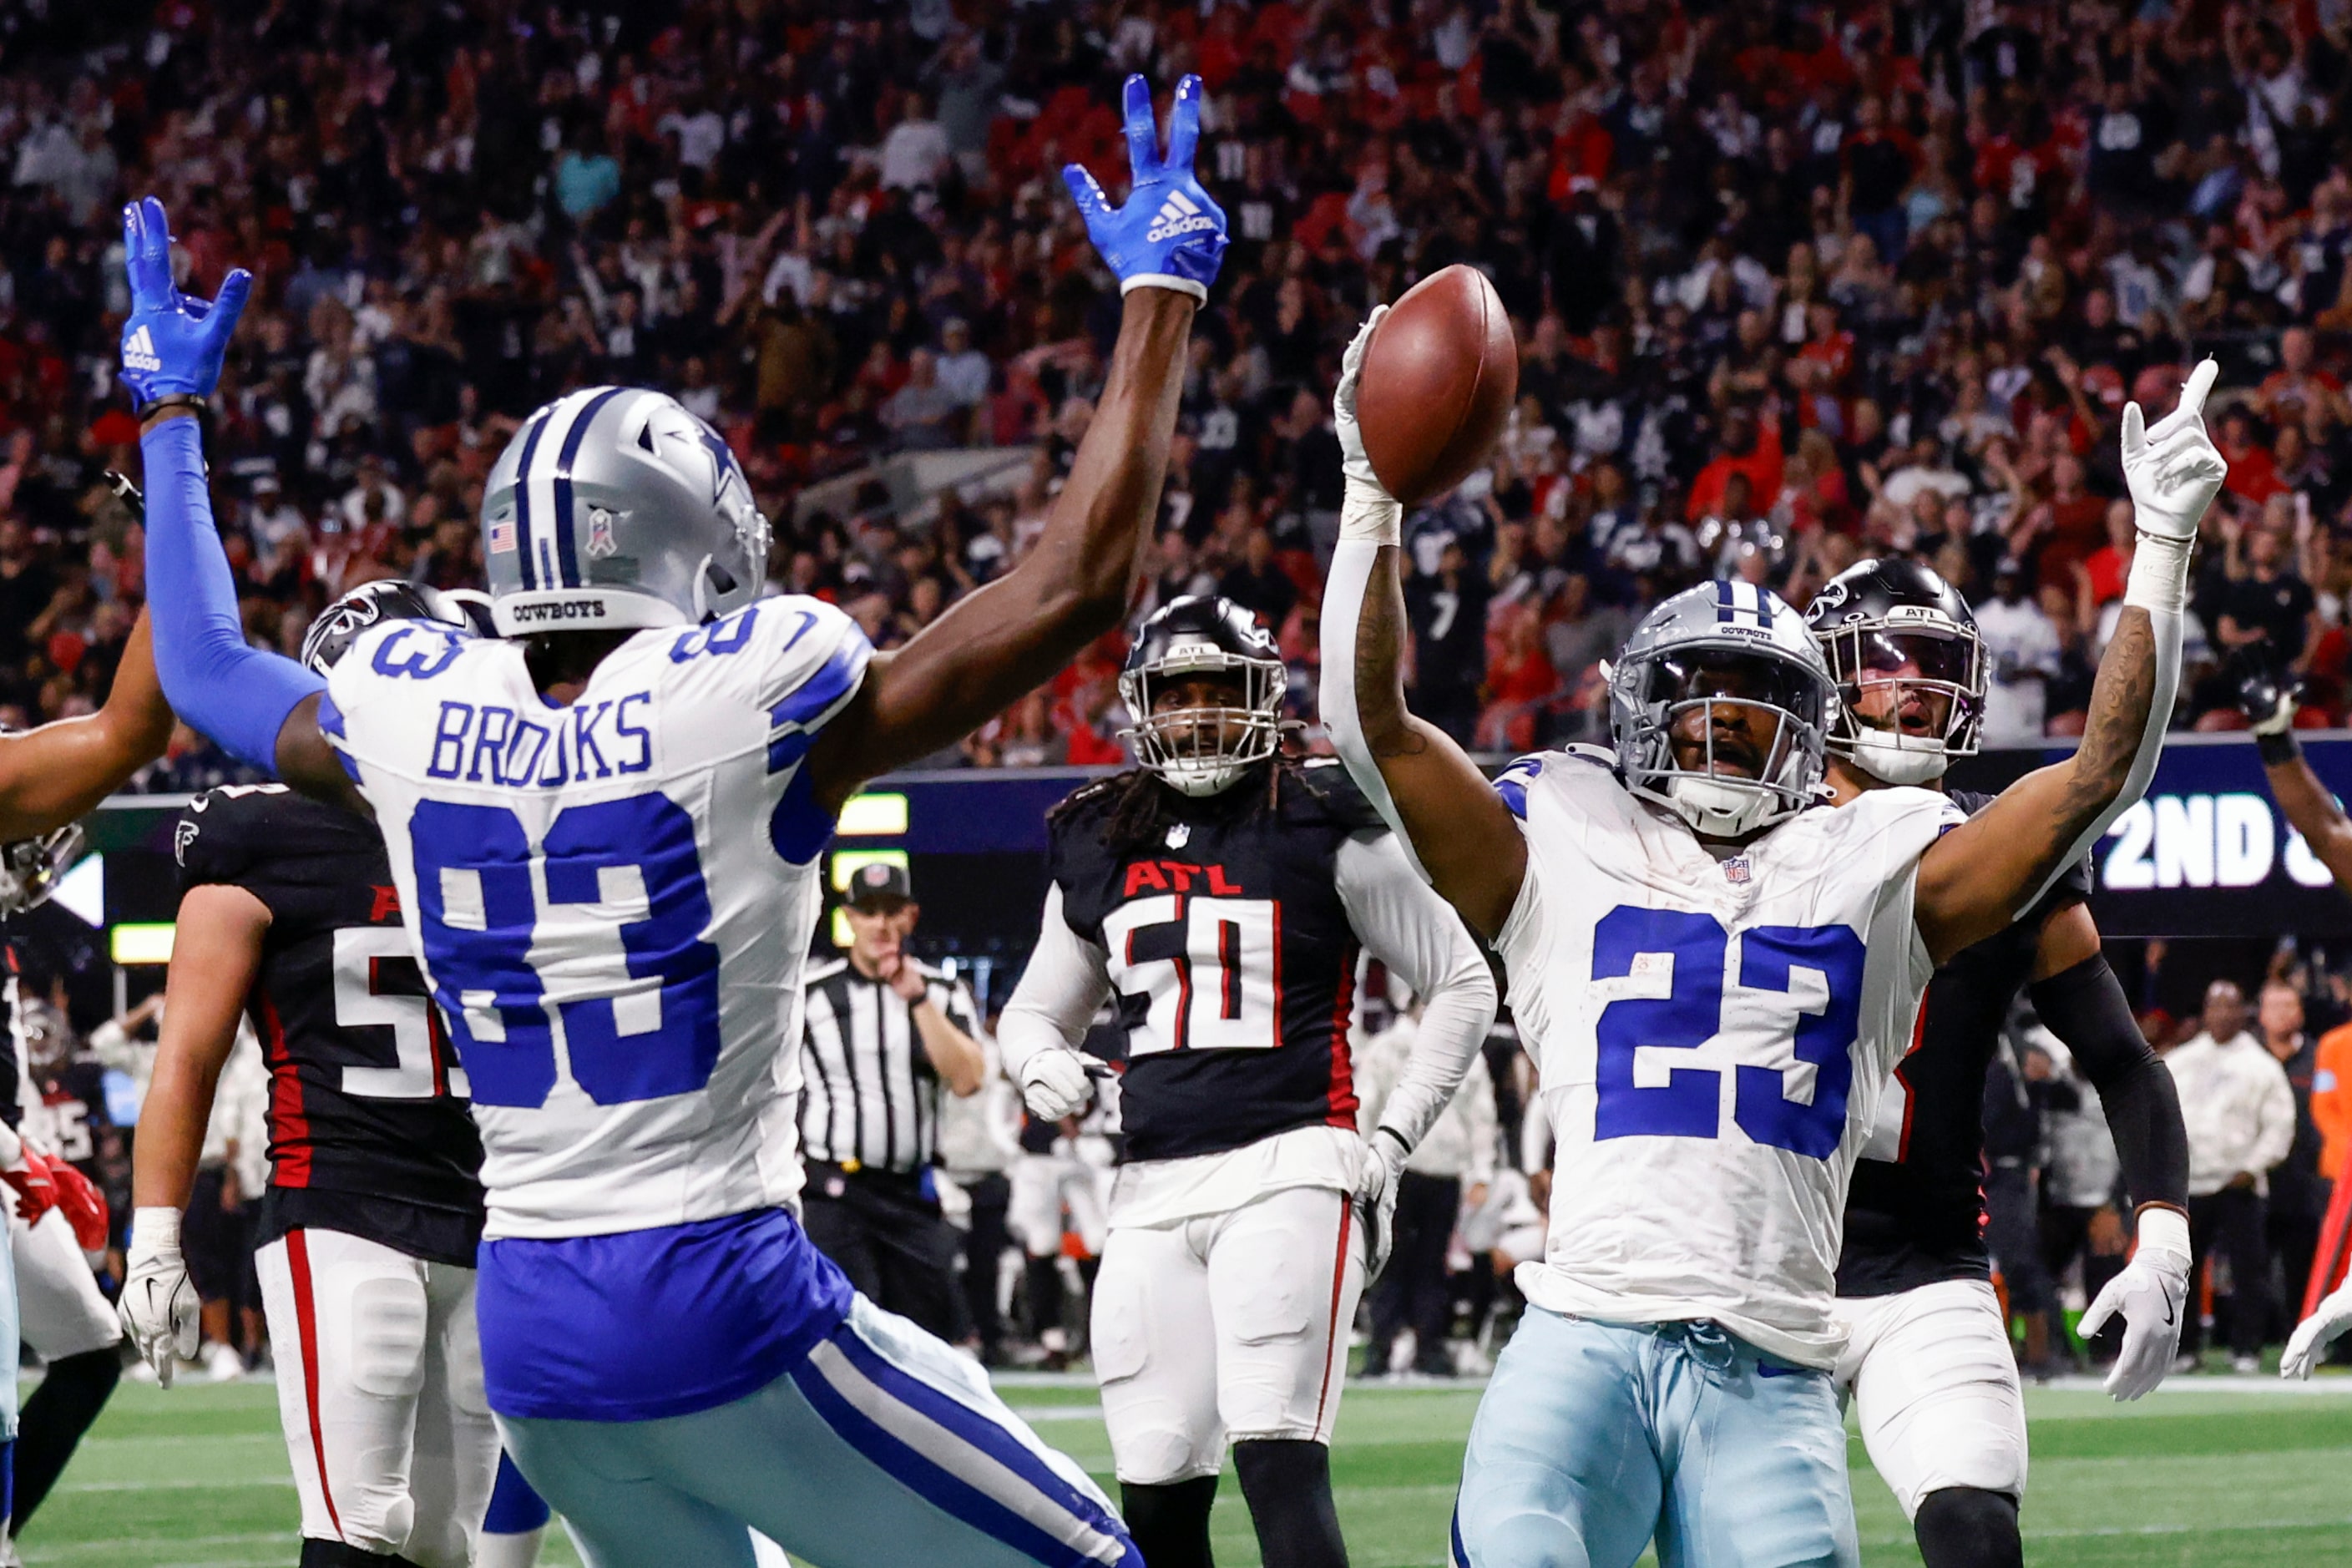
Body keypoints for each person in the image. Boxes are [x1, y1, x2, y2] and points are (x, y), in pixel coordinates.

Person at [126, 68, 1225, 1567]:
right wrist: (1158, 296)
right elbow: (1077, 583)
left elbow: (194, 660)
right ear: (693, 547)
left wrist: (172, 416)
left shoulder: (407, 709)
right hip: (718, 1295)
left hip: (531, 1333)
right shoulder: (751, 700)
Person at [1320, 291, 2223, 1568]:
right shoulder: (1565, 828)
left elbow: (2096, 777)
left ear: (1812, 728)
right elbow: (1377, 726)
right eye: (1701, 707)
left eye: (1757, 708)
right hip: (1584, 1326)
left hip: (1783, 1346)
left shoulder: (1876, 854)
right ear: (1634, 713)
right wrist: (1372, 500)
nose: (1723, 732)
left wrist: (2160, 548)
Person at [998, 594, 1496, 1568]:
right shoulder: (1102, 834)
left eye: (1214, 692)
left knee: (1276, 1458)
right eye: (1174, 696)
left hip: (1294, 1164)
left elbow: (1463, 981)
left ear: (1263, 698)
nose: (1193, 716)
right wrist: (1038, 1060)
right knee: (1156, 1487)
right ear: (1141, 706)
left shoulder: (1323, 817)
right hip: (1147, 1190)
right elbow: (1030, 1012)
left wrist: (1390, 1143)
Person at [1802, 558, 2191, 1568]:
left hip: (1923, 1273)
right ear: (1824, 679)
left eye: (1936, 665)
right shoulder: (1750, 832)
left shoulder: (1997, 845)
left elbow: (2125, 1062)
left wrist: (2162, 1234)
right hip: (1757, 1266)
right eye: (1889, 664)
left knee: (1976, 1531)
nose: (1918, 689)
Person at [119, 583, 503, 1568]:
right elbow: (190, 1054)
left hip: (491, 1210)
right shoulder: (264, 835)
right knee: (364, 1521)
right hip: (340, 1199)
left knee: (455, 1541)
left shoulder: (503, 821)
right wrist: (157, 1234)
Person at [798, 860, 988, 1338]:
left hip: (911, 1193)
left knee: (926, 1341)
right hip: (834, 1189)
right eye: (868, 911)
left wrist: (917, 999)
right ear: (850, 917)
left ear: (910, 917)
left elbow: (967, 1079)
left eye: (891, 910)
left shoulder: (941, 993)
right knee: (842, 1335)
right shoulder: (811, 995)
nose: (880, 923)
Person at [4, 998, 124, 1539]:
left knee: (92, 1354)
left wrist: (26, 1154)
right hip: (7, 1161)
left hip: (9, 1163)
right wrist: (16, 1155)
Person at [1358, 983, 1500, 1379]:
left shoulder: (1465, 1051)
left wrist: (1482, 1171)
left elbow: (1482, 1116)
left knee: (1433, 1267)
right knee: (1390, 1263)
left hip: (1444, 1171)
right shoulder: (1388, 1048)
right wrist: (1364, 1162)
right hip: (1397, 1169)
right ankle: (1381, 1351)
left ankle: (1429, 1352)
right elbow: (1366, 1105)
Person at [2164, 979, 2296, 1374]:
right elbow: (2163, 1119)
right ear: (2205, 1011)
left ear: (2243, 1013)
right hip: (2191, 1183)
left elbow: (2280, 1126)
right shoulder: (2181, 1061)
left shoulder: (2262, 1065)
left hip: (2240, 1182)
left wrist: (2253, 1165)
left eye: (2230, 1007)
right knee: (2181, 1270)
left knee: (2247, 1270)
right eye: (2214, 1006)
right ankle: (2184, 1349)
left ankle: (2246, 1348)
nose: (2221, 1014)